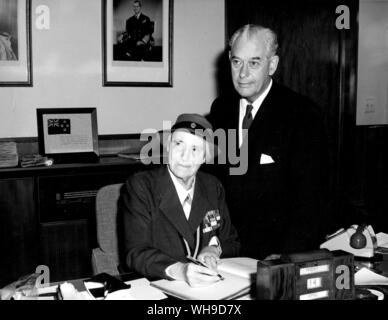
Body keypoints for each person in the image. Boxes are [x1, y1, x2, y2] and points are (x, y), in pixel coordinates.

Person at [208, 24, 329, 259]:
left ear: (272, 65)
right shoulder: (221, 108)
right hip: (226, 251)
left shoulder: (302, 114)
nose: (242, 74)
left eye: (254, 63)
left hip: (276, 253)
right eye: (236, 62)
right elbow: (216, 183)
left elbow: (311, 201)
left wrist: (285, 259)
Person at [120, 114, 240, 287]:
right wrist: (181, 271)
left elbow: (231, 241)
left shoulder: (213, 186)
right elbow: (136, 253)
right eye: (179, 144)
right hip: (158, 285)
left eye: (195, 149)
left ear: (205, 157)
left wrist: (213, 248)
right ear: (168, 147)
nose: (185, 156)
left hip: (208, 288)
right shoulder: (142, 186)